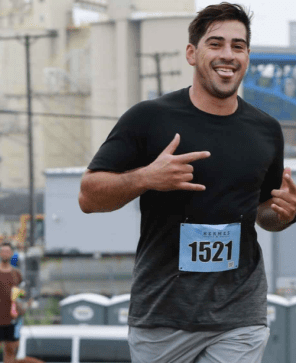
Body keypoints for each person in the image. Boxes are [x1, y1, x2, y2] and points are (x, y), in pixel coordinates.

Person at [79, 3, 296, 363]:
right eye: (216, 43)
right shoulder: (148, 119)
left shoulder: (266, 130)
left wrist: (286, 214)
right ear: (192, 53)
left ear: (247, 56)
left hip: (239, 314)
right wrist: (147, 177)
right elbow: (88, 196)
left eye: (238, 46)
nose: (228, 54)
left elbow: (265, 215)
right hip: (162, 315)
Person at [0, 242, 23, 363]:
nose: (5, 254)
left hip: (12, 318)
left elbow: (21, 294)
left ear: (12, 254)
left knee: (10, 349)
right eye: (3, 251)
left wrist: (19, 308)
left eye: (8, 251)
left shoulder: (16, 273)